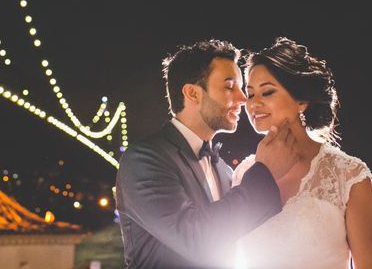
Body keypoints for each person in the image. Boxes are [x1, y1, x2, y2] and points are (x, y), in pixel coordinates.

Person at [115, 39, 300, 268]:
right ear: (193, 93)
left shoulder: (223, 169)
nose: (243, 99)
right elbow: (196, 239)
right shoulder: (144, 159)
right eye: (229, 86)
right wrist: (264, 173)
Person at [231, 37, 372, 269]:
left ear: (301, 100)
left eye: (268, 92)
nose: (253, 104)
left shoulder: (350, 175)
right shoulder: (243, 172)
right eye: (251, 94)